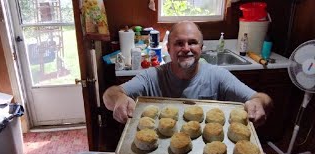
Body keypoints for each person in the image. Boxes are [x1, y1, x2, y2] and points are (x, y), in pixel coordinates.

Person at [103, 21, 273, 127]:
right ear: (168, 49)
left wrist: (258, 102)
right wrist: (119, 99)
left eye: (192, 43)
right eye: (179, 43)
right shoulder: (152, 76)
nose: (186, 48)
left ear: (201, 48)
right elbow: (110, 94)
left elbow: (263, 98)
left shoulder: (218, 76)